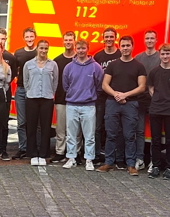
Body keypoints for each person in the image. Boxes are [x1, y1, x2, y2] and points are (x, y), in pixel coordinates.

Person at [98, 35, 146, 174]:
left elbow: (142, 87)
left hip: (131, 104)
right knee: (111, 134)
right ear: (120, 47)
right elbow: (105, 84)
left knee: (129, 135)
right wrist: (116, 95)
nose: (125, 48)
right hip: (112, 103)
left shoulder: (139, 66)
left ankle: (130, 164)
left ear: (132, 47)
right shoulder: (113, 65)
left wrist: (125, 95)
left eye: (128, 46)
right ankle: (108, 162)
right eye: (123, 46)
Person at [62, 40, 101, 171]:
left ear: (88, 49)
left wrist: (88, 95)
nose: (81, 50)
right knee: (71, 134)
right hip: (72, 104)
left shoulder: (95, 67)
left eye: (83, 48)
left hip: (89, 105)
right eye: (78, 48)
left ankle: (89, 159)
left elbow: (99, 85)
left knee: (89, 135)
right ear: (75, 49)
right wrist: (74, 94)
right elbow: (65, 85)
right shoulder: (69, 67)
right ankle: (71, 158)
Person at [145, 43, 170, 179]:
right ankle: (155, 166)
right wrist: (159, 99)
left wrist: (167, 100)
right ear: (159, 55)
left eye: (168, 53)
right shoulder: (154, 72)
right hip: (155, 109)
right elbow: (151, 89)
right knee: (155, 139)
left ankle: (169, 168)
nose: (165, 56)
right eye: (163, 54)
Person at [21, 39, 58, 167]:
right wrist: (30, 91)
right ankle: (32, 153)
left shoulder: (53, 64)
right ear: (37, 48)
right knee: (31, 126)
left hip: (47, 99)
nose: (43, 51)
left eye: (46, 48)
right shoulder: (28, 64)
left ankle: (43, 154)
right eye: (41, 48)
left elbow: (55, 83)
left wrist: (50, 93)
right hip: (32, 98)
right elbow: (25, 81)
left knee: (45, 127)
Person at [133, 30, 161, 171]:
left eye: (152, 38)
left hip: (156, 100)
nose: (149, 40)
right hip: (140, 99)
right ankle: (139, 158)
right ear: (144, 41)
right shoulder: (138, 58)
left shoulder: (160, 58)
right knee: (139, 131)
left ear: (156, 40)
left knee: (155, 132)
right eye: (147, 38)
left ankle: (153, 161)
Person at [92, 27, 120, 165]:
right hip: (100, 97)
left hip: (116, 97)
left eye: (111, 37)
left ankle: (114, 154)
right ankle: (97, 154)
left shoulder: (120, 54)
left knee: (113, 128)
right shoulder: (98, 56)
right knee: (97, 127)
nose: (109, 39)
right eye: (106, 37)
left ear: (115, 38)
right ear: (103, 38)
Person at [50, 32, 77, 163]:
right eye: (66, 40)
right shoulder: (57, 61)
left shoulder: (80, 59)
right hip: (61, 99)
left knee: (75, 130)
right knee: (60, 129)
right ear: (63, 42)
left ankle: (75, 153)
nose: (68, 42)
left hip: (77, 100)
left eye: (70, 40)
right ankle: (60, 152)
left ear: (74, 41)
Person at [11, 28, 38, 159]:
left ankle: (34, 148)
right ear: (23, 38)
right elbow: (14, 69)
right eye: (27, 37)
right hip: (21, 90)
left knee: (34, 122)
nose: (29, 39)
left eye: (31, 37)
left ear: (35, 37)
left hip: (35, 90)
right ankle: (23, 148)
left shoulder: (40, 51)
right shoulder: (19, 53)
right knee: (21, 121)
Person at [0, 29, 16, 161]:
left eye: (3, 39)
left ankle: (3, 149)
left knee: (3, 124)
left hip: (4, 95)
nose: (0, 41)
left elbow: (12, 76)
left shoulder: (11, 58)